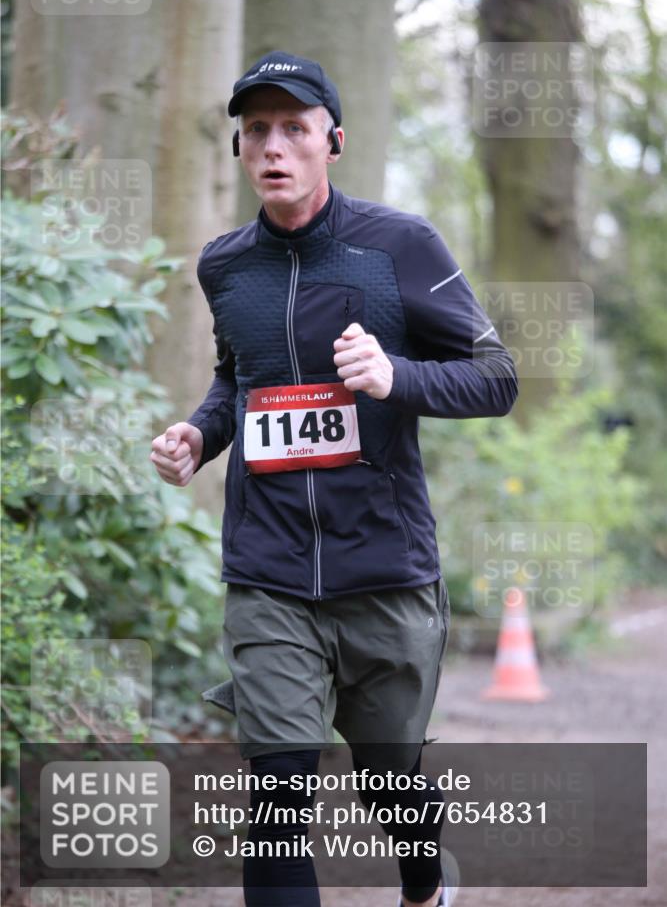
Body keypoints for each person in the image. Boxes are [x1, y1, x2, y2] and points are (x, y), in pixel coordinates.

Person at [150, 50, 518, 907]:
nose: (273, 146)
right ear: (241, 148)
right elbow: (236, 381)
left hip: (383, 569)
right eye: (257, 132)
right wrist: (196, 438)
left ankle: (424, 882)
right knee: (276, 795)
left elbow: (496, 379)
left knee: (393, 787)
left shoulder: (400, 248)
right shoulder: (224, 266)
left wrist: (398, 377)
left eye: (294, 129)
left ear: (332, 142)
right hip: (268, 572)